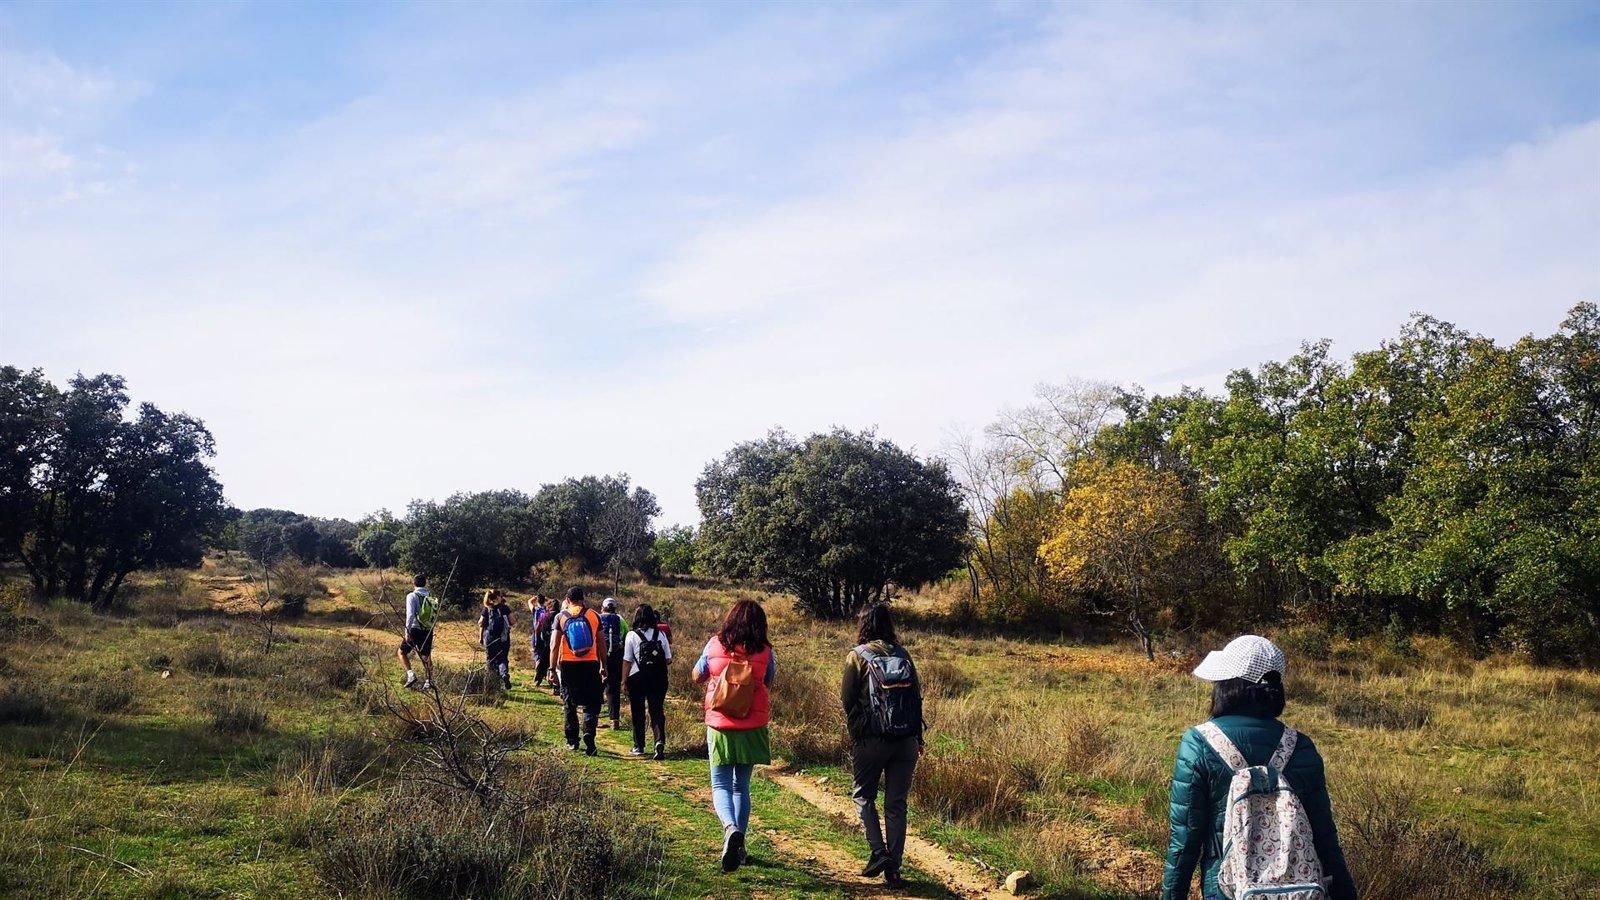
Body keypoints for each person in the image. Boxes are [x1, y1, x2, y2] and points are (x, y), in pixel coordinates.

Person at [1163, 635, 1357, 900]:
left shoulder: (1199, 743)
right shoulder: (1300, 746)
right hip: (1299, 891)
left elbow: (1184, 840)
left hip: (1229, 890)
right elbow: (1325, 838)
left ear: (1227, 686)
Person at [841, 603, 924, 890]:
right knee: (896, 804)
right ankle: (895, 870)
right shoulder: (904, 655)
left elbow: (848, 699)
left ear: (863, 625)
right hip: (907, 742)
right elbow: (916, 699)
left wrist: (858, 735)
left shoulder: (858, 656)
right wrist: (918, 739)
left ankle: (879, 853)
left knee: (863, 795)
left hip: (872, 740)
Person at [692, 599, 775, 874]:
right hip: (753, 725)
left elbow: (697, 675)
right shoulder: (765, 651)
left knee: (720, 785)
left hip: (721, 724)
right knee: (742, 786)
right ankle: (740, 849)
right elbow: (769, 679)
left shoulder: (715, 644)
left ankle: (730, 830)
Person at [550, 586, 607, 756]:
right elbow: (602, 643)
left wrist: (552, 668)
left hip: (568, 664)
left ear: (567, 600)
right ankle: (589, 731)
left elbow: (554, 645)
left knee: (569, 702)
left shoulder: (560, 617)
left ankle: (572, 741)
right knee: (592, 702)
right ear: (583, 599)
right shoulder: (594, 615)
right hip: (591, 663)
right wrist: (604, 665)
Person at [623, 603, 672, 759]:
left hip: (637, 677)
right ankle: (659, 740)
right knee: (656, 710)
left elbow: (627, 660)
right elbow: (668, 659)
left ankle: (639, 746)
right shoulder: (661, 635)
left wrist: (624, 681)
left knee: (638, 712)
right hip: (658, 677)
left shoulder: (632, 635)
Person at [396, 574, 436, 690]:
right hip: (428, 629)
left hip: (414, 629)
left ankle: (410, 675)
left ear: (414, 583)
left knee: (402, 652)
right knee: (426, 656)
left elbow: (410, 615)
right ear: (425, 583)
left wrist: (406, 631)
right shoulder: (430, 596)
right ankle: (428, 682)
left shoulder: (412, 596)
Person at [599, 597, 629, 729]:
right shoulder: (621, 620)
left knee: (596, 686)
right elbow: (626, 636)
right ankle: (614, 720)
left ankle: (592, 716)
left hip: (599, 656)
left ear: (603, 607)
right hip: (616, 657)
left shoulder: (598, 618)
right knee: (613, 689)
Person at [478, 589, 513, 690]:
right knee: (502, 659)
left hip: (490, 638)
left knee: (491, 660)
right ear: (498, 597)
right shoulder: (505, 608)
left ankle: (491, 683)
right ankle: (504, 674)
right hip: (503, 638)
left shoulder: (487, 608)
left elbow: (480, 623)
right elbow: (513, 621)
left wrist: (481, 636)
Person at [528, 594, 553, 687]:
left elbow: (529, 602)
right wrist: (547, 599)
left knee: (537, 655)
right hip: (546, 636)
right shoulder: (547, 610)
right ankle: (547, 676)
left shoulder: (535, 610)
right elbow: (552, 602)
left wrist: (534, 598)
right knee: (546, 656)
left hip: (537, 635)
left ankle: (537, 673)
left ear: (538, 601)